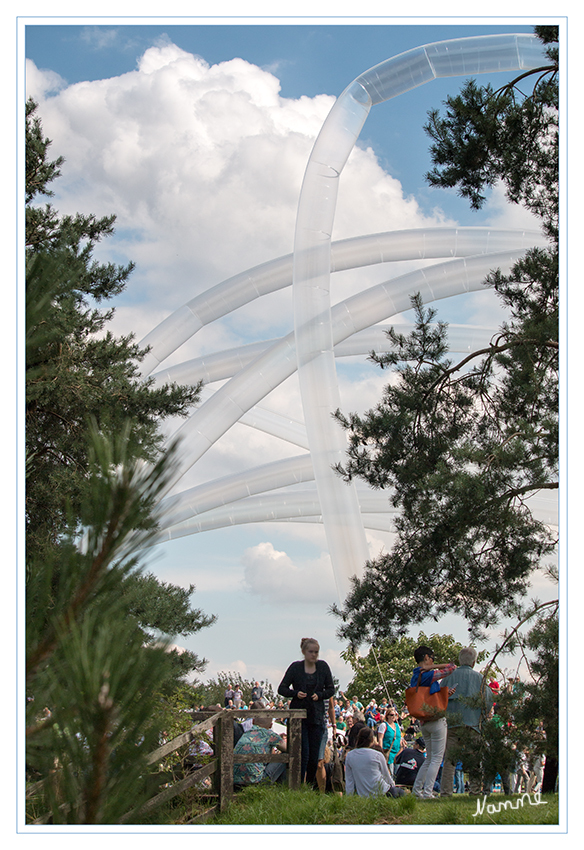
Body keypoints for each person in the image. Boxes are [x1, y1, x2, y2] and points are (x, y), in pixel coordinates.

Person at [278, 637, 335, 787]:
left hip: (316, 716)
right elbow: (282, 688)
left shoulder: (323, 667)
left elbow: (331, 689)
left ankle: (310, 786)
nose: (314, 655)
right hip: (299, 716)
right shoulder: (295, 667)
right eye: (311, 652)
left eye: (316, 652)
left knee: (315, 756)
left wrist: (320, 695)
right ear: (304, 652)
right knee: (303, 753)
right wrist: (295, 693)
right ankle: (298, 785)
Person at [439, 647, 494, 797]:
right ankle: (475, 791)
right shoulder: (480, 678)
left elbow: (438, 699)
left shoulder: (448, 678)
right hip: (473, 724)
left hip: (451, 725)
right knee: (474, 760)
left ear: (459, 660)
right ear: (474, 662)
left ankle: (445, 792)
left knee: (449, 760)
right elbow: (488, 701)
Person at [409, 645, 456, 800]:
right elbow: (451, 668)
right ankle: (428, 792)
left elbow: (427, 695)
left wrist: (445, 695)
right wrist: (431, 667)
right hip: (435, 720)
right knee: (436, 758)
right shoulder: (428, 674)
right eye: (431, 658)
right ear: (427, 657)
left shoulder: (415, 676)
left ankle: (417, 790)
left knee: (429, 759)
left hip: (424, 721)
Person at [233, 701, 287, 786]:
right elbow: (288, 748)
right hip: (256, 782)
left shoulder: (246, 733)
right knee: (285, 756)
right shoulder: (270, 735)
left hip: (235, 782)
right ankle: (283, 786)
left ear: (253, 721)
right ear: (270, 726)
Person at [345, 727, 404, 798]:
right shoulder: (377, 755)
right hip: (383, 791)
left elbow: (349, 780)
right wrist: (393, 785)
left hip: (363, 795)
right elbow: (386, 775)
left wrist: (349, 797)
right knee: (402, 793)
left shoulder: (350, 755)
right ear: (372, 740)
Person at [376, 707, 402, 772]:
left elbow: (400, 738)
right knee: (390, 773)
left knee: (398, 773)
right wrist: (381, 751)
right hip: (389, 753)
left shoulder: (397, 726)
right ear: (387, 716)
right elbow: (380, 738)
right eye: (391, 715)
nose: (394, 716)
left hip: (397, 753)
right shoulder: (384, 725)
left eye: (395, 715)